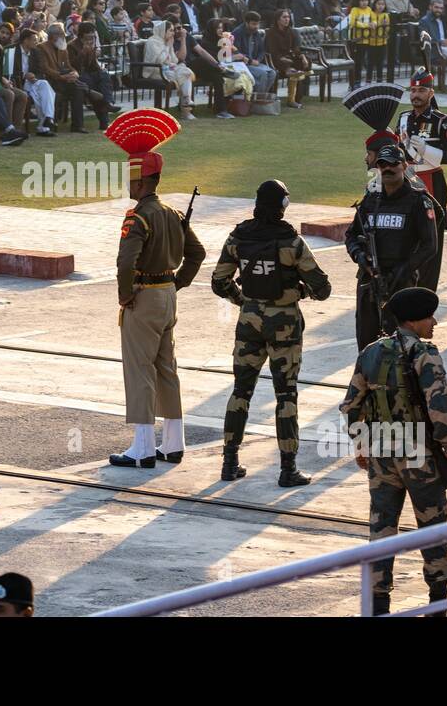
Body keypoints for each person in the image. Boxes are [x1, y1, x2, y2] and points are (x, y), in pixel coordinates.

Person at [340, 286, 447, 616]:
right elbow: (440, 408)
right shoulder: (425, 354)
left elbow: (351, 405)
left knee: (382, 529)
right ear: (414, 320)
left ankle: (379, 603)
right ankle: (437, 602)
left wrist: (361, 444)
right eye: (429, 317)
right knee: (433, 529)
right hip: (419, 454)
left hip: (381, 452)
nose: (434, 322)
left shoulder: (371, 352)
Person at [210, 179, 332, 487]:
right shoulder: (290, 242)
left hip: (248, 321)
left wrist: (244, 302)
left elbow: (219, 281)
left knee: (241, 390)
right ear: (282, 207)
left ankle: (229, 462)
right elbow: (322, 287)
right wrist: (300, 292)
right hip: (285, 324)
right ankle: (288, 468)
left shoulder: (239, 237)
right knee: (286, 394)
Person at [108, 110, 205, 467]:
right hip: (167, 296)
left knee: (140, 370)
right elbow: (197, 253)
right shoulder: (174, 213)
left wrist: (125, 295)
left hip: (144, 298)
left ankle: (143, 448)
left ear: (140, 181)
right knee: (167, 368)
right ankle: (174, 443)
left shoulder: (138, 217)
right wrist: (178, 283)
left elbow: (125, 263)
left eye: (130, 179)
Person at [345, 143, 438, 351]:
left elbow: (430, 246)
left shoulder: (419, 201)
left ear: (404, 165)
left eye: (393, 164)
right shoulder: (370, 201)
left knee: (401, 347)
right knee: (367, 345)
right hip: (370, 282)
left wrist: (403, 270)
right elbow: (351, 235)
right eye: (382, 165)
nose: (387, 169)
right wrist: (360, 257)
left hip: (401, 284)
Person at [395, 67, 447, 289]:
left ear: (431, 93)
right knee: (404, 238)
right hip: (406, 183)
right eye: (413, 90)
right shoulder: (403, 118)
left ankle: (426, 292)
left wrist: (427, 150)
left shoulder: (442, 121)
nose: (416, 95)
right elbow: (396, 152)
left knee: (432, 243)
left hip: (433, 184)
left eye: (421, 90)